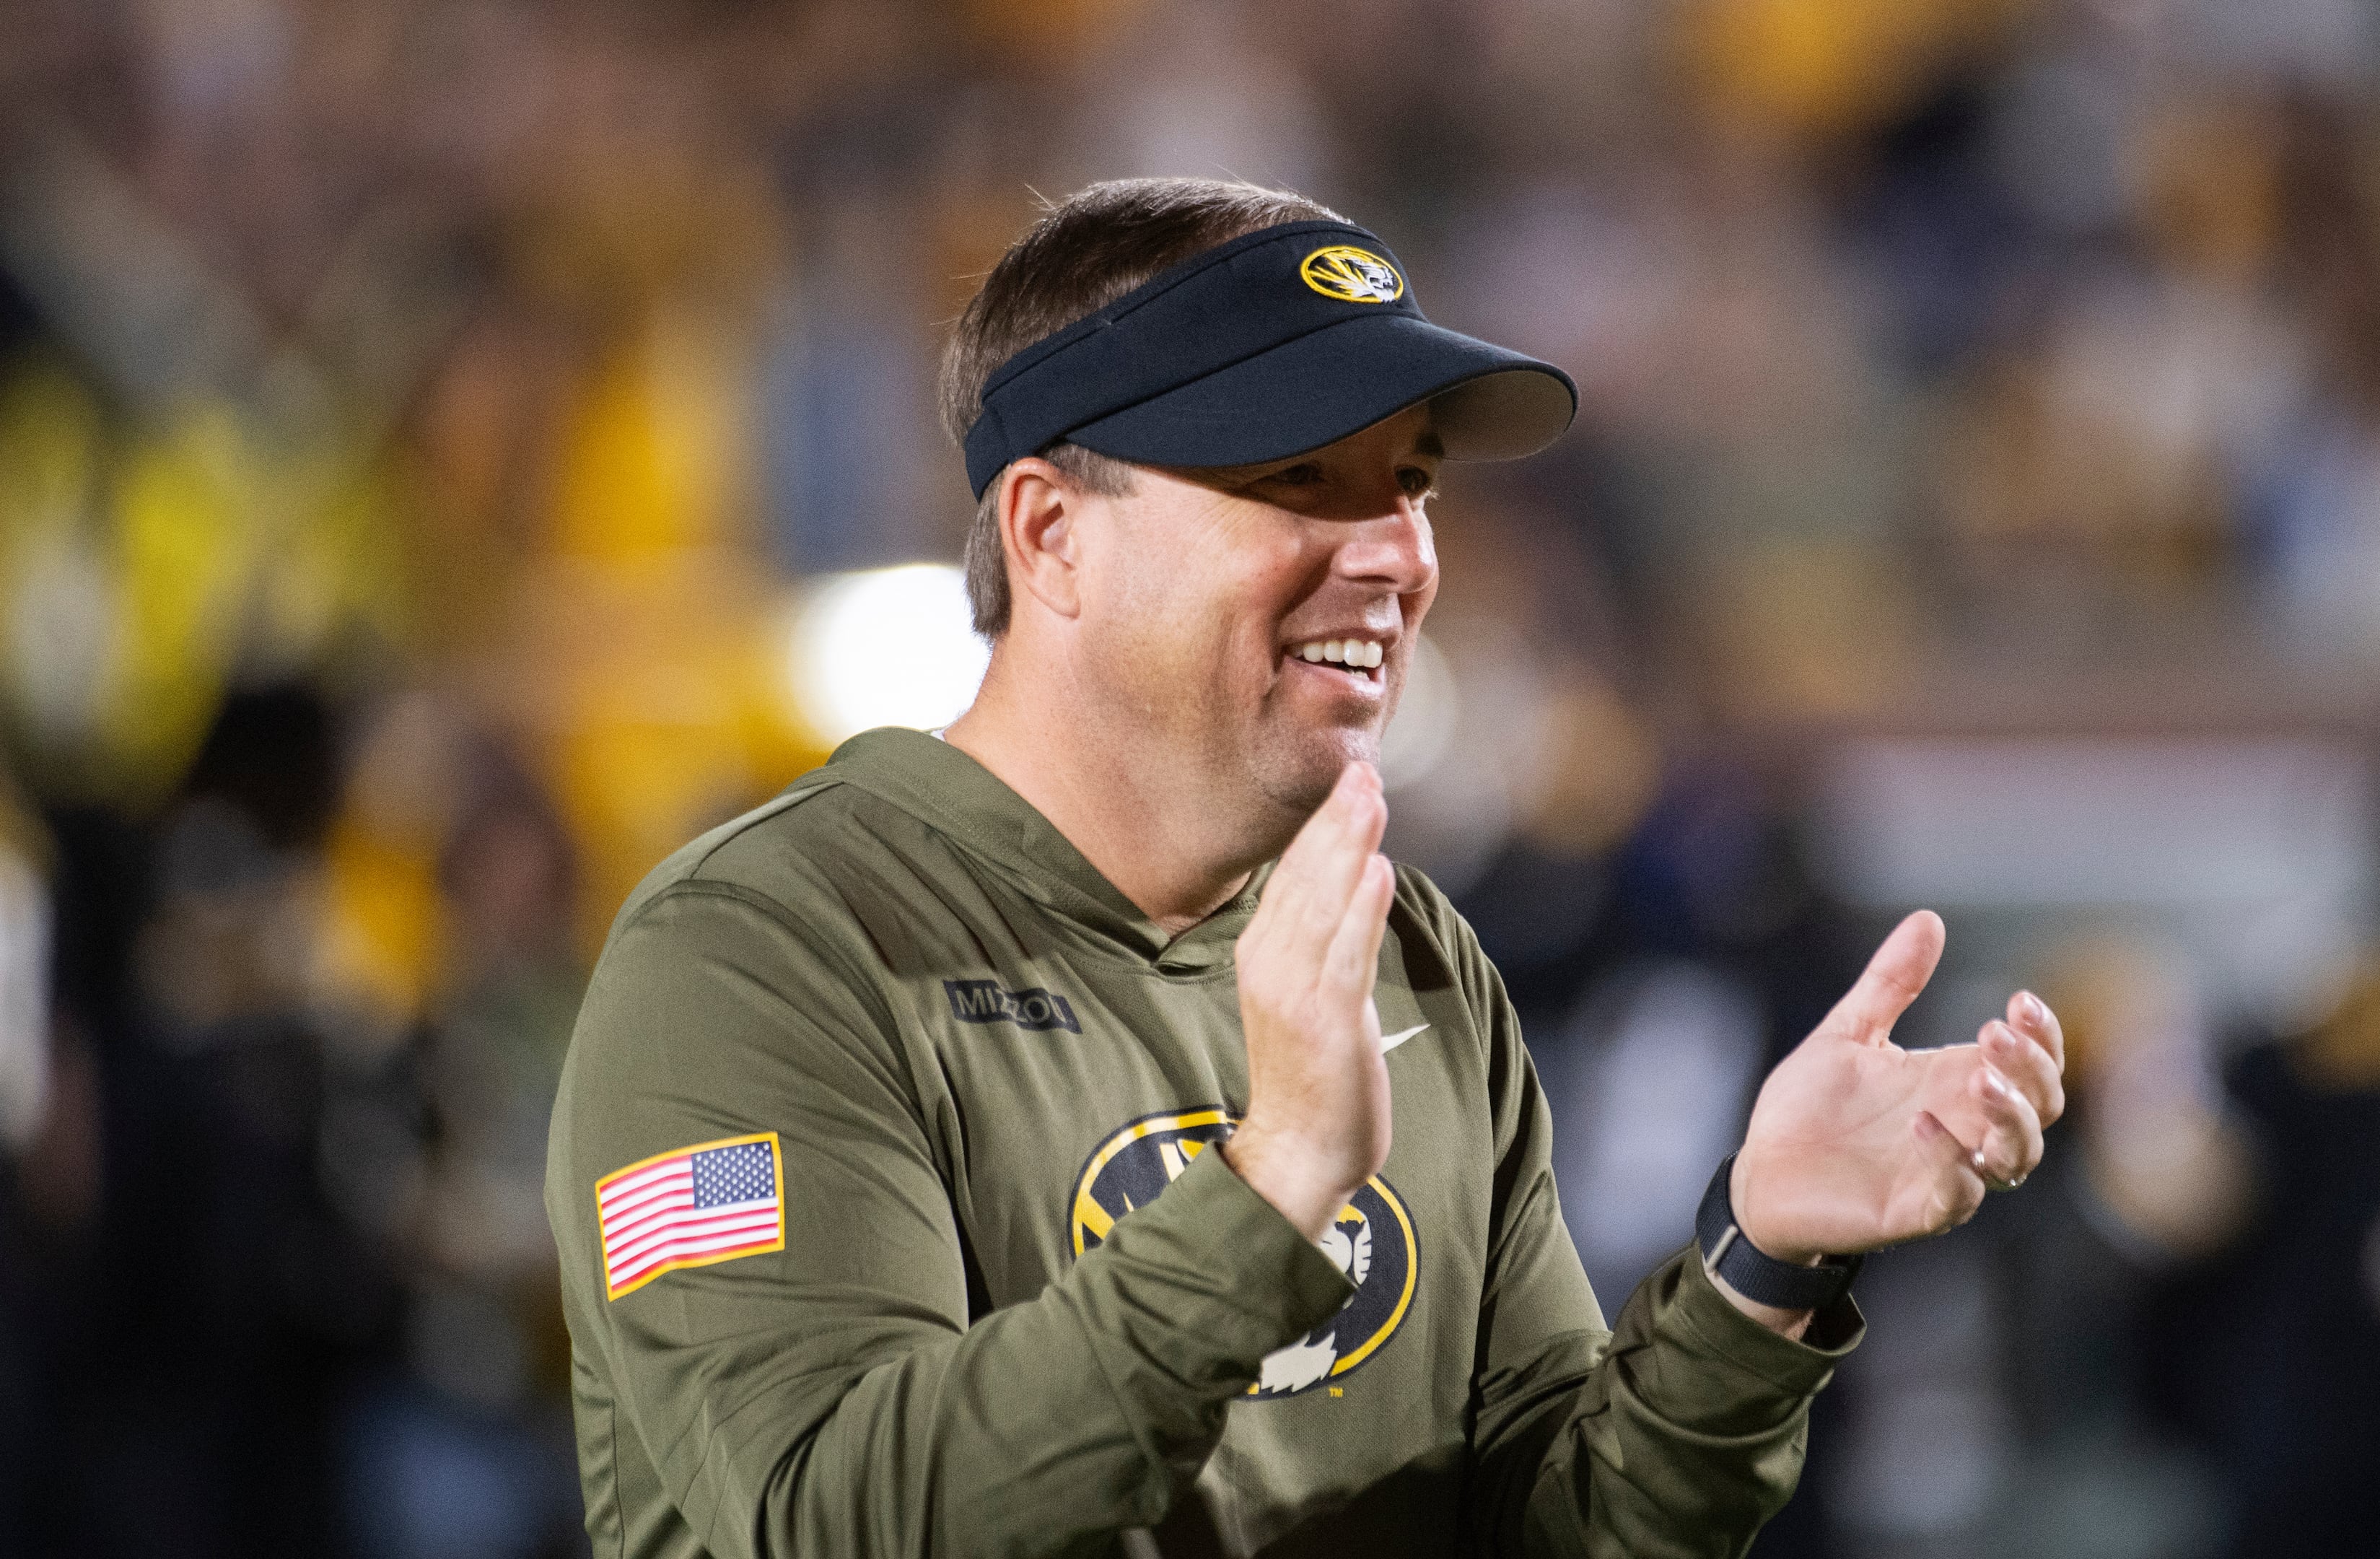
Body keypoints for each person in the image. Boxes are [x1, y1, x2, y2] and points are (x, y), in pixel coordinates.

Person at [543, 178, 2067, 1558]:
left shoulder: (1412, 960)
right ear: (1053, 533)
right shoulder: (755, 956)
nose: (1402, 552)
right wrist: (1267, 1190)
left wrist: (1759, 1261)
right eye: (1297, 479)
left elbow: (1558, 1529)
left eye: (1412, 480)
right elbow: (829, 1522)